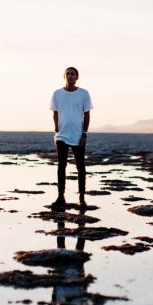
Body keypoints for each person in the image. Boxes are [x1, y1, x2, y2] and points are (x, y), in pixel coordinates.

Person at [50, 67, 93, 211]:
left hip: (77, 135)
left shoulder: (83, 94)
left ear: (77, 77)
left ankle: (81, 198)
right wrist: (56, 129)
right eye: (67, 74)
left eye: (72, 74)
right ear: (64, 76)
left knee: (80, 167)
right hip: (62, 135)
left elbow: (86, 115)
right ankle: (60, 197)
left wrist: (84, 133)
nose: (70, 76)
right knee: (61, 166)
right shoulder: (57, 94)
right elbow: (55, 113)